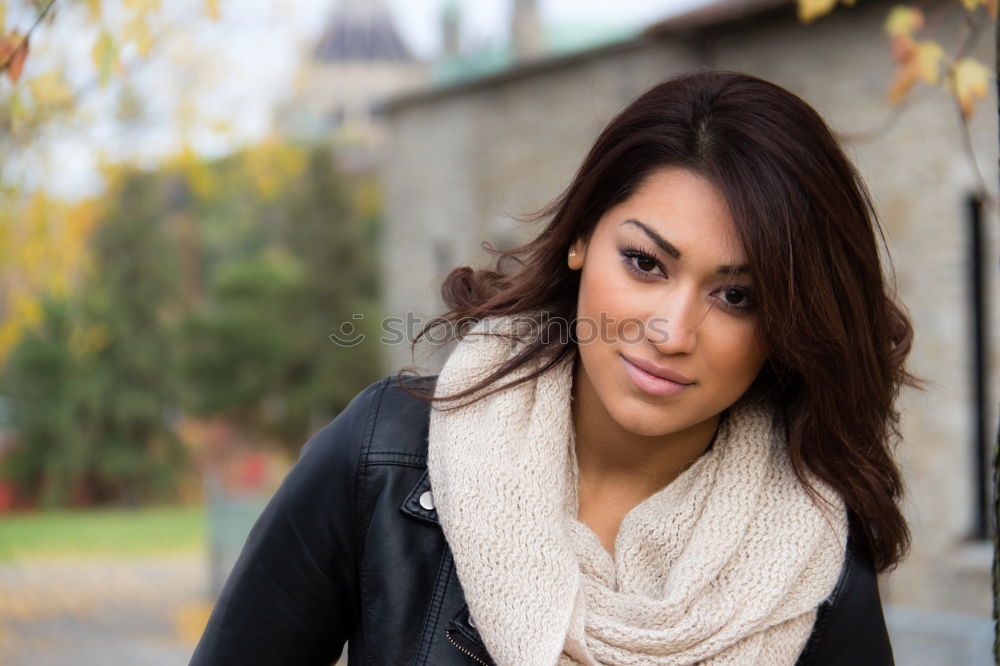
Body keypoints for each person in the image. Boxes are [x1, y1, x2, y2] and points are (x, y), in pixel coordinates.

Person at [190, 70, 916, 665]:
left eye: (737, 296)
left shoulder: (808, 558)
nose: (671, 331)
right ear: (579, 240)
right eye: (645, 262)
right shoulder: (385, 457)